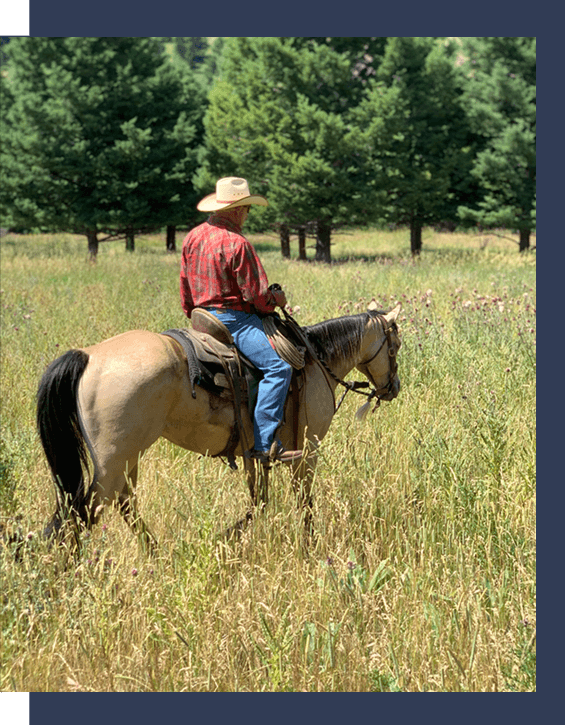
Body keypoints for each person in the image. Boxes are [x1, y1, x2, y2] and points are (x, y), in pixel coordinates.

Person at [180, 177, 303, 464]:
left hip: (200, 319)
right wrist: (278, 301)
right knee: (279, 368)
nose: (247, 214)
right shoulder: (237, 243)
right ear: (236, 209)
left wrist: (196, 313)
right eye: (247, 208)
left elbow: (186, 293)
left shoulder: (192, 236)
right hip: (233, 322)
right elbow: (258, 297)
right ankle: (264, 443)